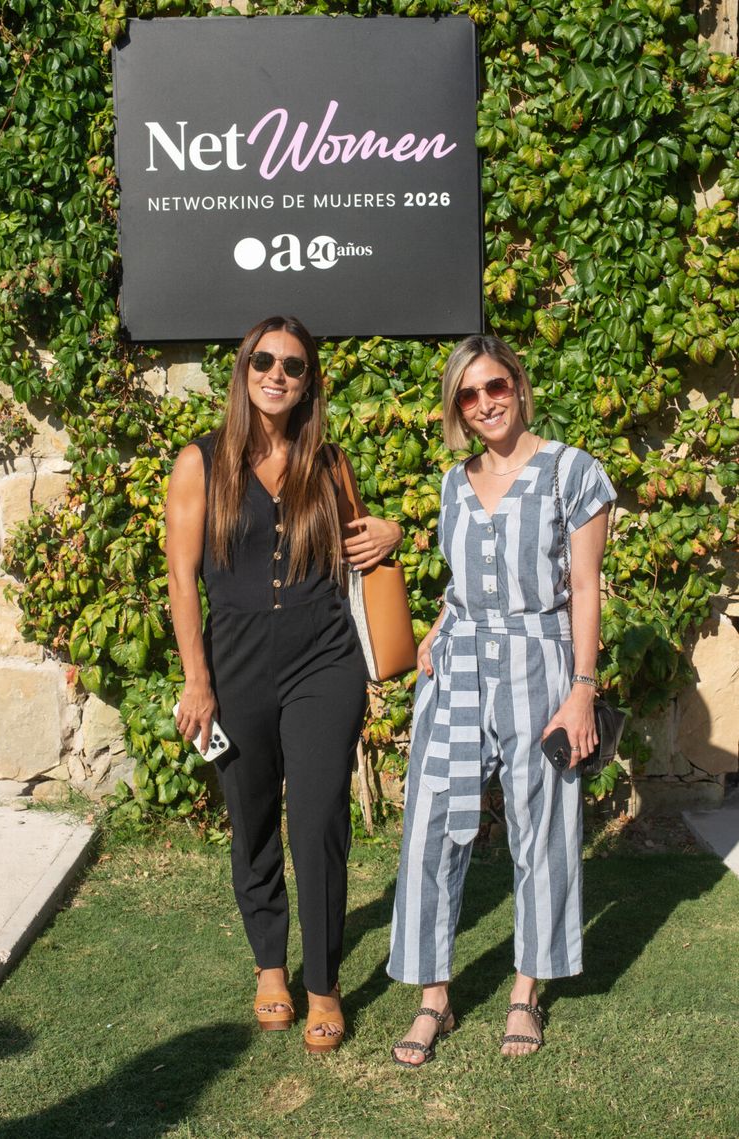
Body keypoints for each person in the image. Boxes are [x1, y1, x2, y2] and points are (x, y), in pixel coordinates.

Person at [166, 315, 401, 1054]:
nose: (276, 374)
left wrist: (391, 532)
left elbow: (362, 545)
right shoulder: (200, 462)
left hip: (322, 659)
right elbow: (180, 579)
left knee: (321, 815)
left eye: (293, 366)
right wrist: (196, 681)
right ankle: (272, 965)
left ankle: (325, 983)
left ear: (308, 384)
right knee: (253, 814)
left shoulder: (328, 462)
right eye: (263, 360)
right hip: (234, 664)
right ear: (244, 370)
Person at [388, 334, 616, 1065]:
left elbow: (585, 589)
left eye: (495, 386)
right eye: (468, 394)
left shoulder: (572, 471)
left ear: (517, 384)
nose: (484, 402)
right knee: (430, 826)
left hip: (539, 664)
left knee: (540, 827)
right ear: (458, 406)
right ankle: (434, 999)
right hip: (457, 666)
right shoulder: (456, 481)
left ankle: (525, 991)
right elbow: (463, 582)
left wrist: (581, 692)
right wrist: (437, 629)